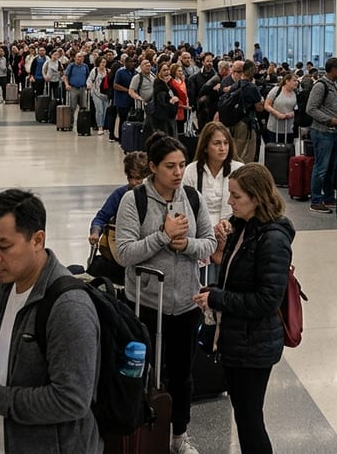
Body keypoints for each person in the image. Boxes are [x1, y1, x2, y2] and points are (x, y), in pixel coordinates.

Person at [0, 189, 100, 454]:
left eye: (4, 246)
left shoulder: (68, 307)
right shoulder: (8, 286)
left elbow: (72, 400)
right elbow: (10, 353)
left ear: (37, 240)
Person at [115, 136, 216, 454]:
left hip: (185, 303)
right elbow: (125, 253)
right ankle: (140, 431)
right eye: (170, 166)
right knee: (140, 371)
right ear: (153, 167)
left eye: (182, 165)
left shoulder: (192, 198)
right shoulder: (134, 201)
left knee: (182, 376)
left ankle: (178, 436)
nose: (177, 172)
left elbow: (210, 243)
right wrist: (162, 236)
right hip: (144, 303)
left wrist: (186, 245)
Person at [192, 164, 293, 454]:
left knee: (250, 420)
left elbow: (266, 301)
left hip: (255, 345)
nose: (229, 202)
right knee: (245, 415)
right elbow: (231, 270)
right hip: (239, 339)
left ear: (256, 198)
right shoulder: (245, 227)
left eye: (236, 196)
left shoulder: (273, 240)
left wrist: (218, 299)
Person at [182, 123, 244, 255]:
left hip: (231, 230)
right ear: (205, 147)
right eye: (217, 143)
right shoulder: (191, 171)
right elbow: (184, 207)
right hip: (199, 233)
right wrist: (208, 230)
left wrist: (226, 223)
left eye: (226, 143)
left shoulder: (239, 169)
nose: (222, 148)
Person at [307, 58, 337, 213]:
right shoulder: (320, 86)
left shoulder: (335, 84)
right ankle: (316, 200)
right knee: (321, 167)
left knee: (333, 167)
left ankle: (329, 197)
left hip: (335, 133)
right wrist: (329, 120)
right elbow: (311, 109)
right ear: (333, 69)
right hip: (322, 133)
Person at [89, 152, 149, 249]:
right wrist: (95, 232)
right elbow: (101, 218)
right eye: (130, 177)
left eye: (138, 178)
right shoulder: (119, 194)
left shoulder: (156, 197)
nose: (133, 182)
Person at [227, 60, 265, 164]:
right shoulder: (252, 88)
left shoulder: (235, 85)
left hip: (234, 123)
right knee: (247, 153)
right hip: (246, 124)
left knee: (235, 151)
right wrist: (262, 102)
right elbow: (259, 108)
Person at [263, 72, 299, 145]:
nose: (296, 83)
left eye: (297, 81)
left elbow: (297, 108)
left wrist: (293, 113)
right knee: (275, 150)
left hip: (289, 128)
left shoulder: (295, 93)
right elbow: (266, 105)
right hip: (274, 127)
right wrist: (277, 114)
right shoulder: (276, 90)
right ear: (287, 81)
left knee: (288, 150)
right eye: (294, 80)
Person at [65, 52, 89, 129]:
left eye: (81, 57)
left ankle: (82, 123)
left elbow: (88, 77)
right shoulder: (71, 66)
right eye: (78, 57)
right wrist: (67, 85)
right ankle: (70, 123)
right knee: (72, 107)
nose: (80, 58)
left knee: (83, 107)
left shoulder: (85, 66)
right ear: (75, 58)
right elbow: (66, 76)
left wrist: (88, 85)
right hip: (73, 88)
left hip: (82, 88)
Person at [87, 56, 110, 136]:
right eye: (102, 62)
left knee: (105, 111)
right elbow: (89, 79)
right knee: (99, 110)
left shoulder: (108, 71)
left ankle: (104, 126)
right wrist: (89, 85)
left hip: (105, 94)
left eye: (104, 62)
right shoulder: (94, 71)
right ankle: (100, 126)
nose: (103, 64)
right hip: (96, 93)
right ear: (98, 63)